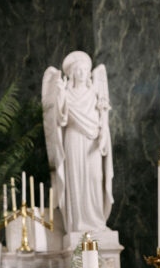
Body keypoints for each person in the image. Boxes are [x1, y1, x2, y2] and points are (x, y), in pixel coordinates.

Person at [42, 51, 113, 235]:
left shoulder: (94, 93)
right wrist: (59, 94)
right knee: (77, 180)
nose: (81, 72)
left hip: (92, 142)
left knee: (94, 177)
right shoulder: (66, 93)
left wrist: (104, 133)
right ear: (71, 73)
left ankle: (96, 221)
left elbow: (102, 118)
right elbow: (61, 120)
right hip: (73, 139)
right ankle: (78, 223)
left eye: (84, 69)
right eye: (77, 70)